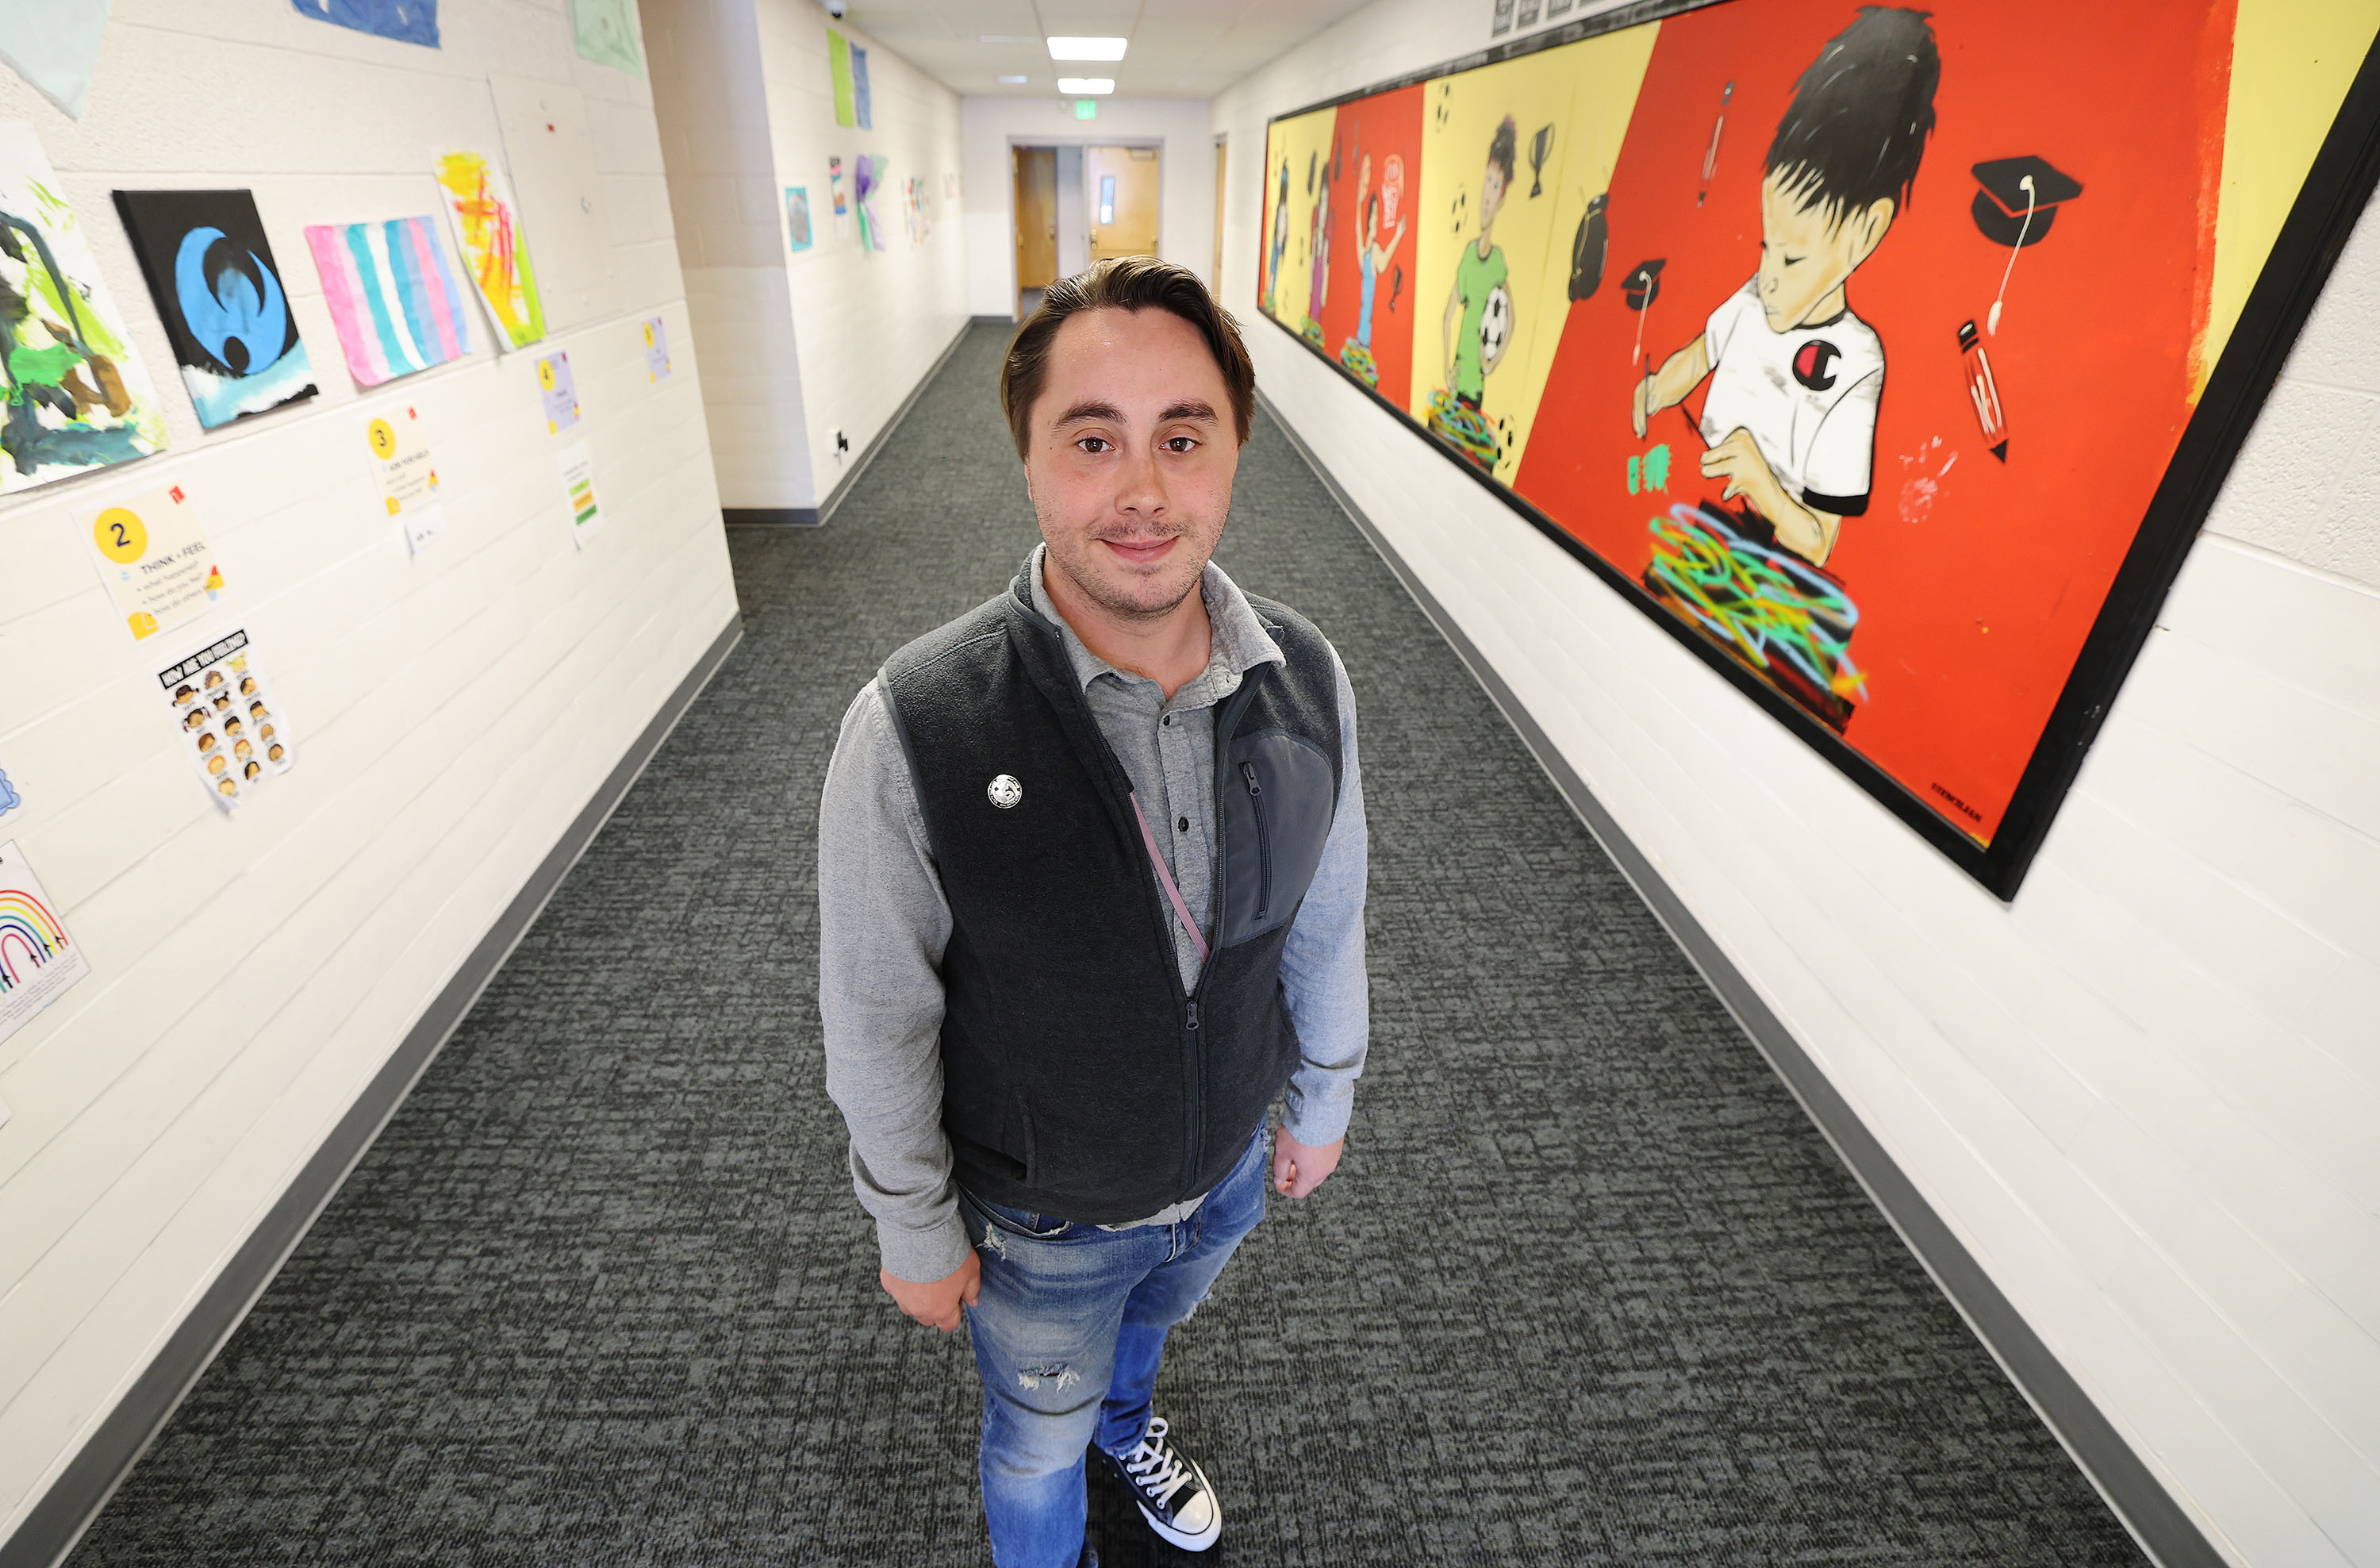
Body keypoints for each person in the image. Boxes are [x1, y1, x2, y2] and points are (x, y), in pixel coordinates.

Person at [818, 255, 1370, 1568]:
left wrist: (1328, 1094)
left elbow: (1328, 910)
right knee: (1032, 1442)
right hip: (1043, 1222)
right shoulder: (913, 725)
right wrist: (913, 1224)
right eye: (1092, 439)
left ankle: (1134, 1416)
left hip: (1229, 1164)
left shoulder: (1309, 680)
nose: (1140, 490)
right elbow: (877, 1013)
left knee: (1148, 1338)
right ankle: (1079, 1444)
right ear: (1027, 458)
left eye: (1182, 437)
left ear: (1236, 449)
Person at [1630, 6, 1939, 567]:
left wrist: (1764, 486)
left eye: (1793, 258)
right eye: (1766, 248)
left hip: (1762, 577)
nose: (1769, 279)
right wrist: (1652, 391)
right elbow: (1700, 356)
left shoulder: (1857, 361)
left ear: (1865, 233)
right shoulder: (1753, 298)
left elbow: (1819, 542)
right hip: (1695, 537)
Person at [1441, 115, 1516, 409]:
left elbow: (1511, 319)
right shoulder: (1469, 257)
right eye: (1487, 181)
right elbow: (1448, 316)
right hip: (1458, 378)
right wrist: (1448, 369)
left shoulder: (1497, 263)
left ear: (1502, 198)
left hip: (1476, 387)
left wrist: (1493, 361)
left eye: (1495, 186)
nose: (1487, 196)